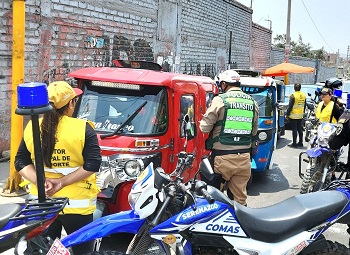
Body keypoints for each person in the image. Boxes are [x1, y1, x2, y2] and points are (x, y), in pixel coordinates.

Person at [14, 81, 101, 254]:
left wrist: (42, 182)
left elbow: (21, 161)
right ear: (71, 104)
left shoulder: (32, 125)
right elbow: (92, 164)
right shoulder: (82, 129)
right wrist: (61, 183)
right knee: (83, 252)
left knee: (41, 251)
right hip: (77, 206)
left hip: (41, 204)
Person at [199, 70, 259, 206]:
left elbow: (204, 128)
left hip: (222, 159)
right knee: (240, 200)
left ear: (224, 84)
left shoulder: (220, 100)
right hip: (244, 159)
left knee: (214, 197)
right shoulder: (252, 103)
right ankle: (240, 224)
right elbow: (254, 131)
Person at [285, 83, 306, 148]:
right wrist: (303, 112)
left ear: (294, 88)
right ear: (300, 88)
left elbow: (290, 106)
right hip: (300, 115)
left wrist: (287, 114)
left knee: (294, 129)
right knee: (299, 129)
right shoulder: (303, 95)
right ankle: (300, 142)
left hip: (294, 115)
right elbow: (305, 105)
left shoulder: (293, 95)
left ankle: (294, 144)